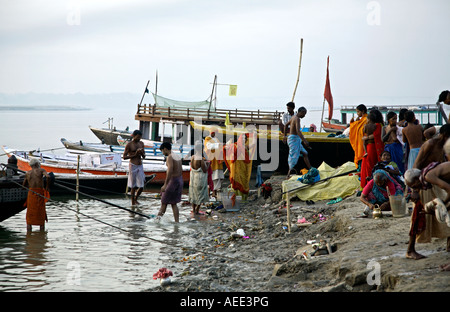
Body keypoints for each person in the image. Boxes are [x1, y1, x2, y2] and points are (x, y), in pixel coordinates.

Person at [404, 163, 450, 260]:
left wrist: (444, 204)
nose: (414, 188)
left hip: (435, 184)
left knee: (446, 212)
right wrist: (415, 192)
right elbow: (416, 164)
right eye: (413, 187)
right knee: (418, 215)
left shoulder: (427, 176)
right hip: (428, 186)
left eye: (414, 186)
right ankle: (410, 250)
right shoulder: (426, 177)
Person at [223, 132, 257, 200]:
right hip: (236, 169)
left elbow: (253, 144)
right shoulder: (235, 146)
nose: (244, 140)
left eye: (245, 138)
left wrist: (255, 135)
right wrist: (228, 144)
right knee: (236, 181)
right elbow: (226, 148)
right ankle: (235, 198)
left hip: (244, 168)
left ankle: (243, 199)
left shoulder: (246, 147)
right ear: (240, 139)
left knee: (244, 182)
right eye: (243, 138)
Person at [158, 142, 183, 223]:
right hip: (179, 180)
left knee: (164, 203)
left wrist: (165, 185)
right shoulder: (177, 156)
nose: (163, 153)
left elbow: (170, 170)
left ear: (165, 149)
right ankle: (177, 222)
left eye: (162, 151)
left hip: (173, 181)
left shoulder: (170, 157)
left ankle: (157, 221)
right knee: (174, 203)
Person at [283, 107, 311, 178]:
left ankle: (310, 169)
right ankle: (288, 174)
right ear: (301, 112)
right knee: (293, 157)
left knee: (305, 153)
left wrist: (285, 136)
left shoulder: (293, 117)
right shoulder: (297, 119)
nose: (304, 116)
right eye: (304, 114)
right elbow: (298, 131)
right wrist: (304, 141)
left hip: (295, 139)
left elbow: (286, 125)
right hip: (293, 139)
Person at [23, 158, 50, 231]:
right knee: (40, 214)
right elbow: (47, 176)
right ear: (36, 164)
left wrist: (29, 187)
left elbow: (24, 185)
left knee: (30, 214)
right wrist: (47, 187)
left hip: (31, 194)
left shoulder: (27, 173)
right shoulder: (41, 170)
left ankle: (29, 234)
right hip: (39, 193)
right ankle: (41, 234)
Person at [360, 109, 384, 188]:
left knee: (369, 165)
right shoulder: (378, 125)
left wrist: (366, 138)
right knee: (371, 165)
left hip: (370, 147)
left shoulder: (375, 125)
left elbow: (375, 135)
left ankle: (369, 184)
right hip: (371, 146)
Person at [123, 130, 146, 205]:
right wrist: (135, 154)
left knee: (141, 186)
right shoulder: (129, 145)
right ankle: (133, 202)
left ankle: (136, 199)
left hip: (140, 165)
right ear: (133, 136)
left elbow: (144, 156)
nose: (139, 139)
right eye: (137, 137)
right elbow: (124, 157)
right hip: (133, 165)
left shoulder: (141, 143)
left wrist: (141, 153)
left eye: (140, 138)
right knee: (133, 186)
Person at [188, 142, 210, 215]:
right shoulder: (200, 158)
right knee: (200, 194)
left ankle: (193, 209)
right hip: (200, 178)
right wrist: (208, 164)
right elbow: (204, 170)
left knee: (194, 194)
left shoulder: (193, 157)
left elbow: (192, 167)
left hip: (193, 178)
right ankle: (197, 210)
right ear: (201, 149)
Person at [204, 128, 224, 198]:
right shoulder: (207, 139)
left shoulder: (216, 139)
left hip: (218, 161)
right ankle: (210, 193)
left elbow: (220, 147)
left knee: (218, 177)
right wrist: (219, 145)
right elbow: (209, 146)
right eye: (213, 133)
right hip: (212, 161)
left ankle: (215, 192)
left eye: (215, 133)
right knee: (212, 177)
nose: (214, 134)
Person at [349, 104, 368, 168]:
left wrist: (354, 123)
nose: (357, 113)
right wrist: (354, 122)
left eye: (358, 112)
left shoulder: (366, 119)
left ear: (362, 111)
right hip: (360, 143)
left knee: (362, 158)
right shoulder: (361, 120)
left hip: (363, 143)